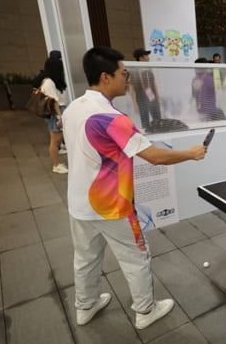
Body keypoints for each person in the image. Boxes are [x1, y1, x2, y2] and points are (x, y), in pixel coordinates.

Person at [62, 46, 207, 329]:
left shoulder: (72, 108)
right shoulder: (112, 118)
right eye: (123, 73)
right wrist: (191, 154)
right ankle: (145, 311)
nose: (127, 79)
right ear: (105, 77)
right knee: (136, 258)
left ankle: (85, 306)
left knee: (85, 258)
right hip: (112, 206)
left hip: (78, 204)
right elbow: (155, 157)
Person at [33, 50, 68, 174]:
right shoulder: (49, 82)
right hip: (55, 114)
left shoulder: (52, 81)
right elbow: (54, 102)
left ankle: (57, 162)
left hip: (58, 112)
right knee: (55, 141)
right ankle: (56, 165)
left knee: (57, 139)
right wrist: (60, 117)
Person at [129, 48, 162, 133]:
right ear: (140, 58)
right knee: (145, 119)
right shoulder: (134, 70)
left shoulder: (149, 68)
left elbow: (154, 83)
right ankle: (148, 138)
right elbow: (131, 87)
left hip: (151, 96)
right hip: (141, 97)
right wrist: (134, 103)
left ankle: (158, 133)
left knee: (157, 117)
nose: (148, 57)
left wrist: (157, 97)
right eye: (146, 55)